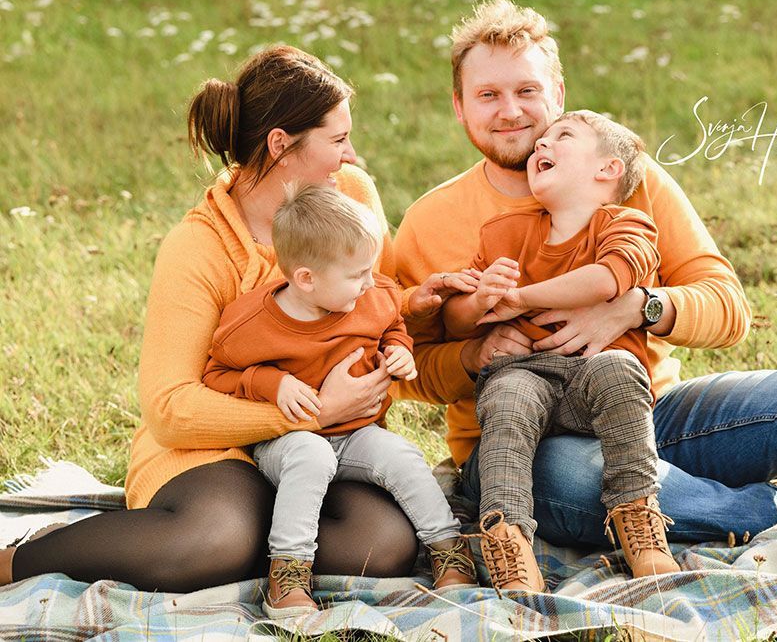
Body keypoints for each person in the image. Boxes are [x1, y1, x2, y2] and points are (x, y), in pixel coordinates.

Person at [391, 0, 777, 610]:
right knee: (578, 476)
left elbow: (727, 306)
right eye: (488, 95)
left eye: (527, 89)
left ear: (558, 90)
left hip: (648, 413)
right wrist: (476, 352)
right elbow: (407, 368)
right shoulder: (431, 220)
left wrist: (639, 307)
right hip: (520, 448)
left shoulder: (625, 177)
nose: (511, 111)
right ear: (459, 105)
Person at [0, 45, 471, 594]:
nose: (352, 156)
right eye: (338, 140)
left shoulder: (352, 197)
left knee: (381, 547)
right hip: (214, 445)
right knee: (219, 539)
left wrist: (416, 306)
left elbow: (370, 308)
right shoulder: (199, 247)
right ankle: (19, 561)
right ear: (281, 145)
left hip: (335, 442)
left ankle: (253, 548)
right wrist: (305, 415)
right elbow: (171, 406)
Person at [202, 184, 477, 616]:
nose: (371, 283)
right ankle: (287, 574)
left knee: (401, 455)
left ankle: (447, 549)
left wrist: (399, 349)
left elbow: (391, 323)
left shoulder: (373, 294)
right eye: (357, 275)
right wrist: (272, 384)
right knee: (311, 454)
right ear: (305, 278)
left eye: (370, 270)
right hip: (287, 441)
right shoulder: (250, 325)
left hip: (356, 433)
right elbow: (216, 375)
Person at [443, 111, 680, 590]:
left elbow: (608, 278)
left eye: (562, 136)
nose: (541, 145)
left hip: (594, 380)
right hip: (525, 373)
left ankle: (639, 523)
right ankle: (507, 542)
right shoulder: (503, 234)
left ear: (608, 169)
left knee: (617, 365)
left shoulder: (627, 224)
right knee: (507, 395)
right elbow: (454, 320)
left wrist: (523, 298)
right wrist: (481, 298)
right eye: (541, 141)